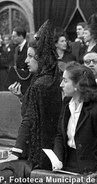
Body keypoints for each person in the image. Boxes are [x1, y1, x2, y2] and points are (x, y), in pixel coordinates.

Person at [0, 20, 62, 179]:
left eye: (30, 56)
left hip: (38, 153)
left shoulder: (39, 84)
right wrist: (22, 97)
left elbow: (30, 118)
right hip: (54, 151)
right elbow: (37, 110)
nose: (26, 61)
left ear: (41, 58)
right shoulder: (52, 77)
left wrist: (16, 150)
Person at [53, 61, 97, 175]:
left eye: (65, 81)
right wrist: (57, 159)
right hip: (66, 165)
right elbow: (60, 135)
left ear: (77, 85)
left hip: (92, 170)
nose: (61, 84)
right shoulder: (66, 104)